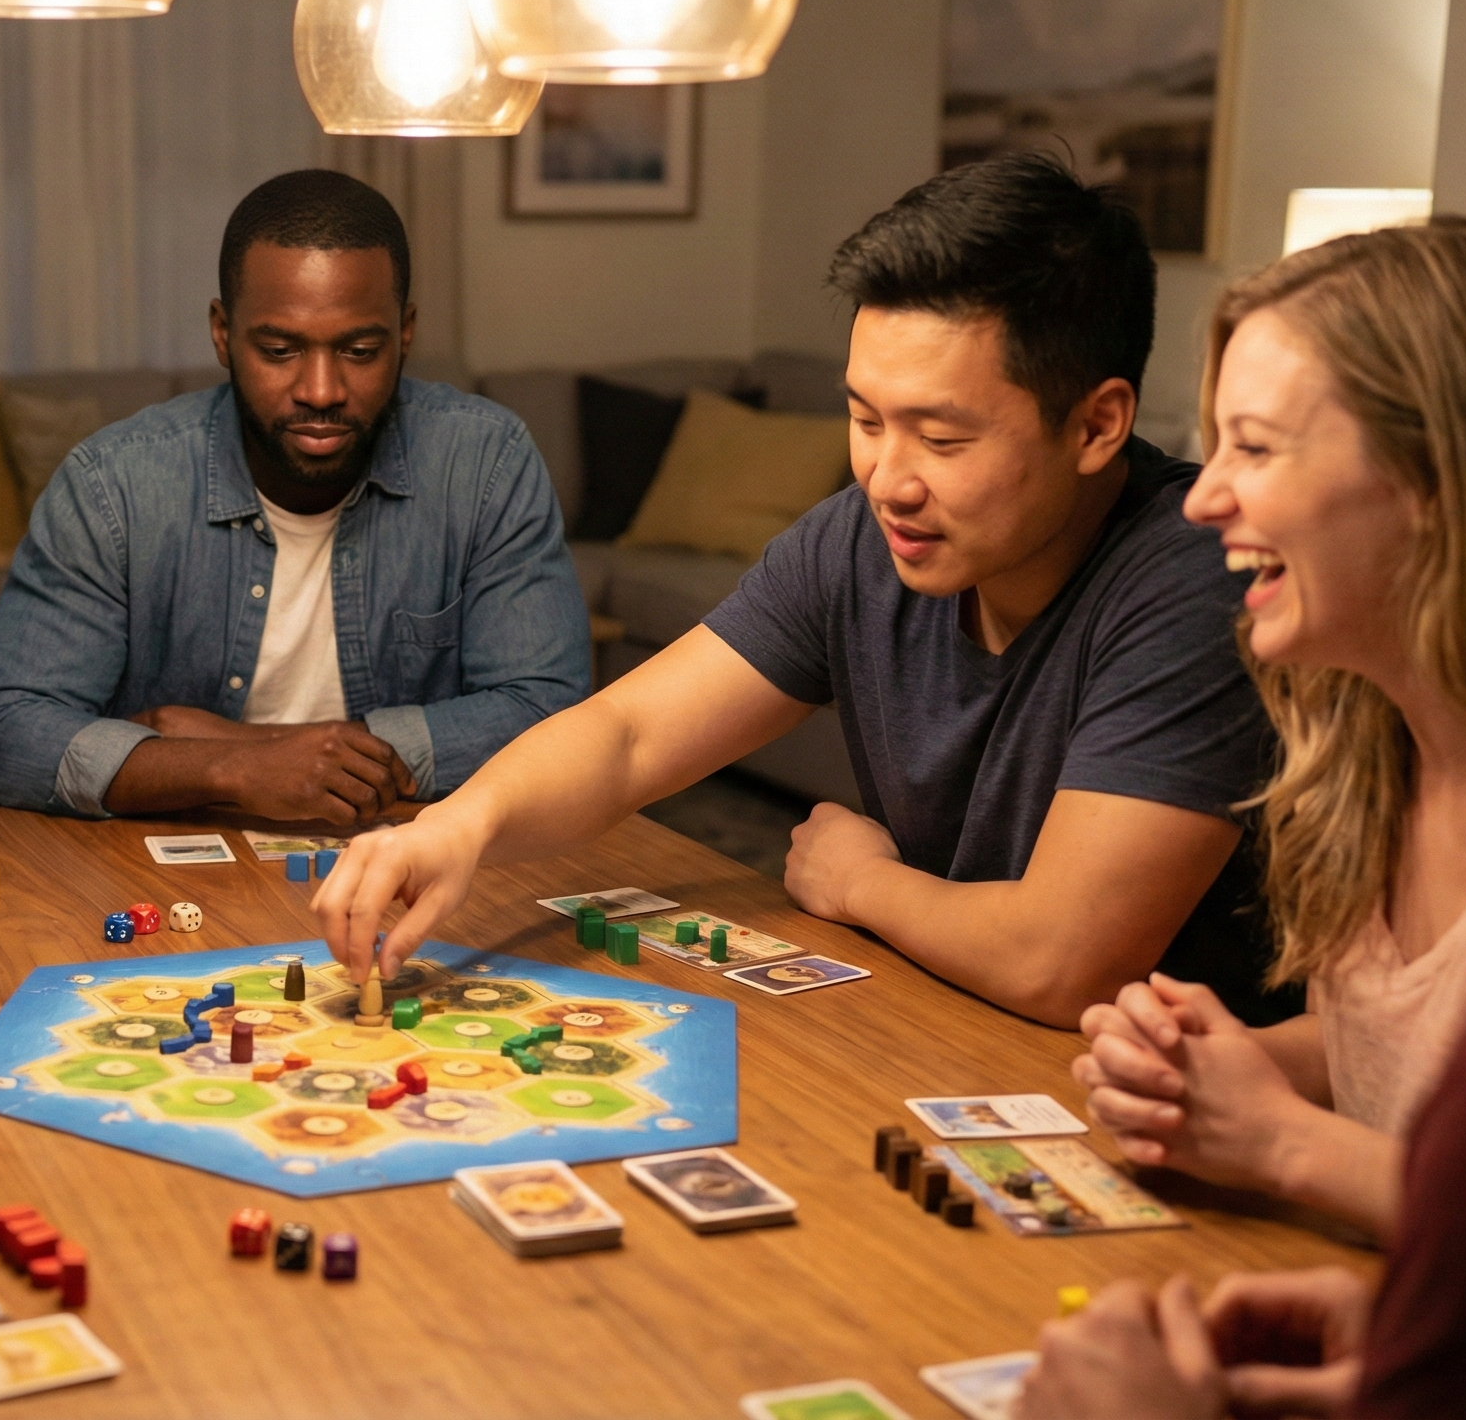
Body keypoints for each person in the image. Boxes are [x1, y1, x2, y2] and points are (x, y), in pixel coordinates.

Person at [1014, 199, 1466, 1419]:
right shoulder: (1350, 747)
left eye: (1256, 447)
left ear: (1437, 482)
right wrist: (1228, 1070)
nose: (1200, 498)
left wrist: (1285, 1146)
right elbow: (1422, 1072)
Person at [315, 153, 1284, 1027]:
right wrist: (457, 826)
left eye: (941, 439)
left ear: (1095, 426)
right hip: (949, 1024)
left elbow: (1059, 960)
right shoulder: (862, 540)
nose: (885, 479)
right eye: (863, 419)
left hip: (1168, 1133)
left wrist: (860, 882)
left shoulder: (1198, 582)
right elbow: (627, 736)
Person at [0, 169, 588, 824]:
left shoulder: (484, 462)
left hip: (404, 861)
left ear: (405, 332)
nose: (321, 389)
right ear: (223, 334)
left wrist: (258, 746)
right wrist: (233, 770)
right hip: (164, 884)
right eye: (280, 349)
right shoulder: (113, 485)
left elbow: (550, 709)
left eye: (360, 349)